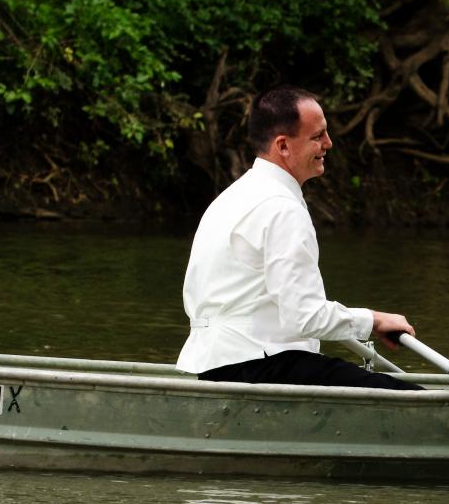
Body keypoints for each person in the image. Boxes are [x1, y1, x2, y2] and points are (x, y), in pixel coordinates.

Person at [177, 85, 422, 390]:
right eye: (318, 136)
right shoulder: (282, 207)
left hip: (217, 365)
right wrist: (374, 321)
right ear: (283, 146)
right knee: (409, 396)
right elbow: (305, 317)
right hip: (260, 363)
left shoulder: (232, 196)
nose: (329, 143)